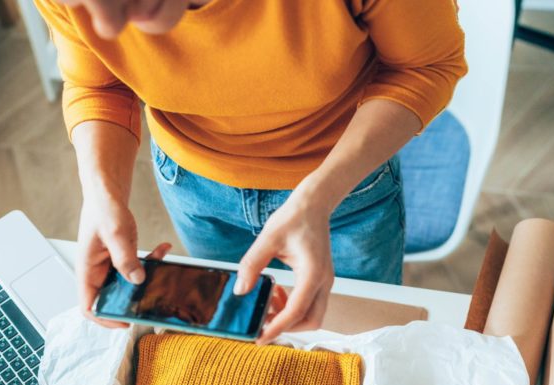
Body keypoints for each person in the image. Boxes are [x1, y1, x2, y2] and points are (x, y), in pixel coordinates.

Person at [35, 0, 467, 342]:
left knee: (359, 338)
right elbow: (99, 84)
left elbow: (425, 66)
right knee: (238, 327)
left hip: (347, 191)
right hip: (191, 186)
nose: (108, 28)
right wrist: (100, 192)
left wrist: (319, 195)